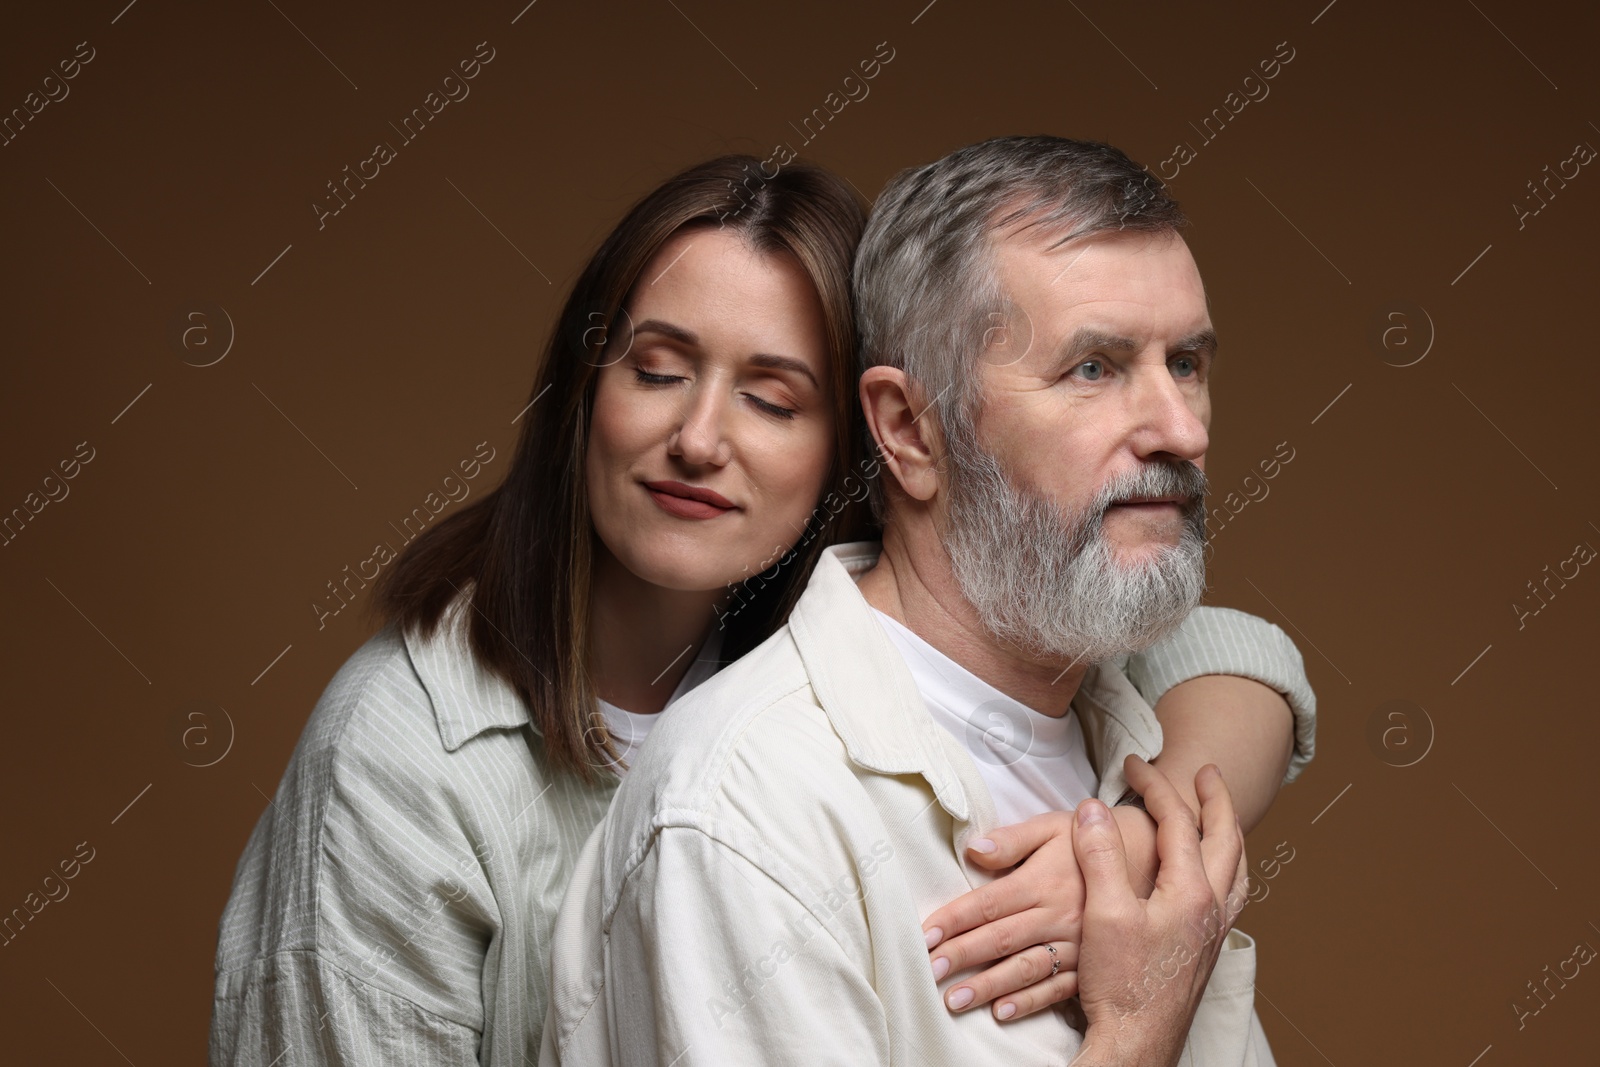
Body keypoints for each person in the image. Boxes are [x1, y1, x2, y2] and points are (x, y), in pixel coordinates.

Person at [212, 152, 1312, 1065]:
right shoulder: (415, 754)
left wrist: (1116, 837)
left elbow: (1226, 653)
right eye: (655, 370)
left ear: (864, 443)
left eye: (773, 397)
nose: (699, 439)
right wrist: (1136, 1023)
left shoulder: (928, 640)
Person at [540, 136, 1298, 1066]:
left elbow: (1252, 662)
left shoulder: (1130, 732)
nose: (1180, 429)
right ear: (908, 429)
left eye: (1185, 362)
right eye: (1093, 369)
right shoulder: (744, 818)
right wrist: (1139, 1032)